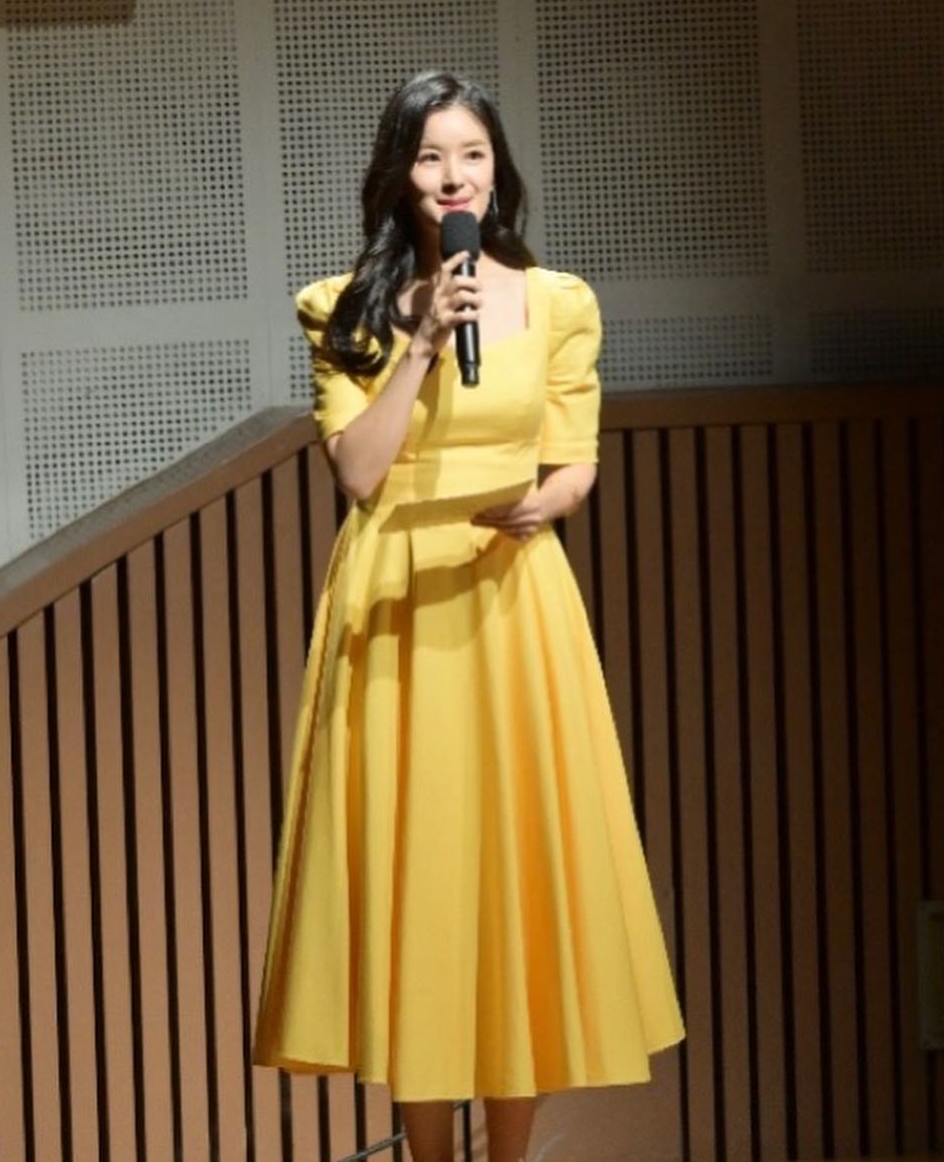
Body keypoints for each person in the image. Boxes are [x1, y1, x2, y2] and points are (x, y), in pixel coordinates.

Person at [253, 71, 684, 1162]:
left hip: (512, 593)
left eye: (474, 154)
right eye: (433, 156)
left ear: (498, 170)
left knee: (511, 879)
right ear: (399, 176)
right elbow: (357, 471)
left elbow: (574, 458)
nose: (456, 175)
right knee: (420, 879)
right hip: (396, 599)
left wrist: (548, 502)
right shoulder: (342, 308)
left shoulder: (558, 302)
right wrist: (422, 346)